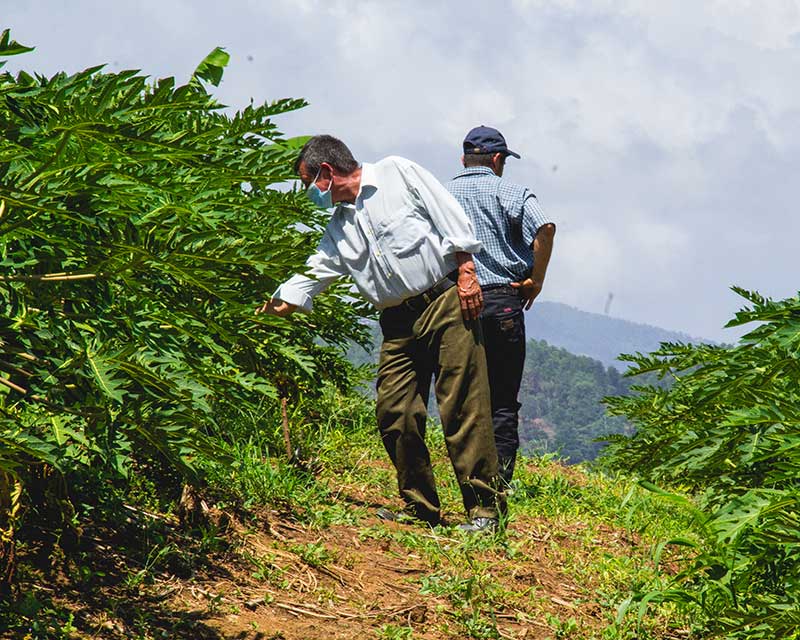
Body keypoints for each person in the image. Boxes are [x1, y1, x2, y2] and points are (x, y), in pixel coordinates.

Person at [256, 135, 501, 532]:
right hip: (397, 322)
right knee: (394, 410)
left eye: (307, 182)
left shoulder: (397, 173)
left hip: (444, 300)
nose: (307, 193)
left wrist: (468, 272)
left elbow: (448, 213)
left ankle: (485, 511)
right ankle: (421, 508)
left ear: (326, 173)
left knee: (462, 406)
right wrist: (280, 302)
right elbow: (317, 268)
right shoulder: (339, 227)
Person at [446, 126, 556, 486]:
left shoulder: (441, 193)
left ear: (464, 159)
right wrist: (535, 280)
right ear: (497, 159)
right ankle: (500, 481)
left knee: (462, 395)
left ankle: (463, 473)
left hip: (456, 300)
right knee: (503, 398)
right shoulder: (510, 192)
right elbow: (546, 228)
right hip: (503, 301)